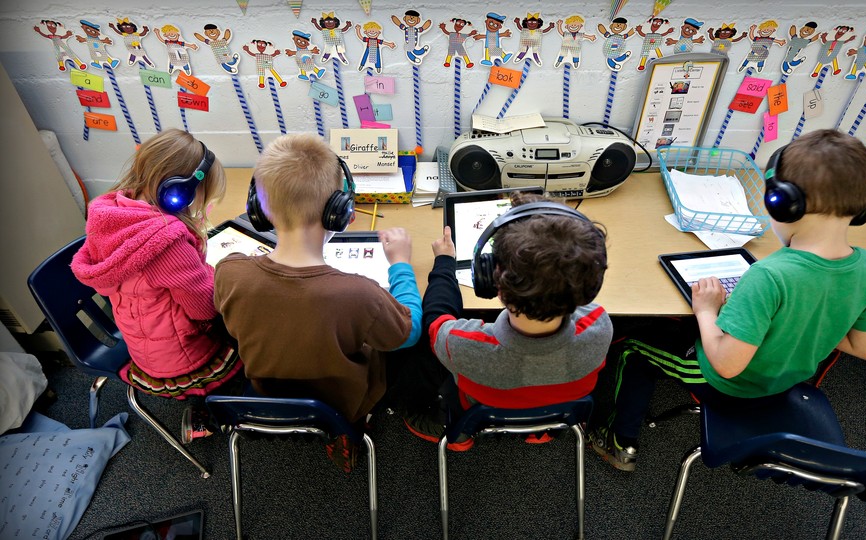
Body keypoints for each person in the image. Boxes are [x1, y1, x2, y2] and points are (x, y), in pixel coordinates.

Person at [590, 129, 866, 472]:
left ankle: (619, 443)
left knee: (632, 349)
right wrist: (808, 316)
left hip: (729, 383)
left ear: (783, 203)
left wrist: (706, 310)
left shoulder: (770, 275)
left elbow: (726, 364)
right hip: (786, 379)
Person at [213, 133, 422, 471]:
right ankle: (347, 430)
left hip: (266, 395)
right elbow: (408, 332)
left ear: (259, 208)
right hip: (344, 401)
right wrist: (401, 265)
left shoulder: (230, 271)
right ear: (338, 212)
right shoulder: (359, 293)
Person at [400, 193, 614, 450]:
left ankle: (459, 436)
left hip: (478, 409)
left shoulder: (461, 343)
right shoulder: (600, 324)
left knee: (421, 358)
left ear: (491, 282)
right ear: (592, 285)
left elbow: (436, 319)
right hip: (559, 411)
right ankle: (541, 429)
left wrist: (444, 262)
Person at [71, 129, 242, 407]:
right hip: (184, 362)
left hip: (145, 349)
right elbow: (204, 308)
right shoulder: (166, 241)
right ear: (179, 191)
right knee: (248, 342)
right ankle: (210, 413)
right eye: (202, 196)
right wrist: (217, 273)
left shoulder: (111, 213)